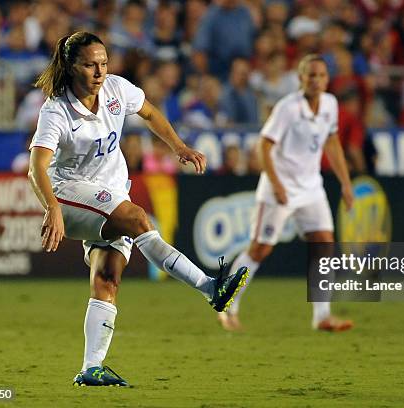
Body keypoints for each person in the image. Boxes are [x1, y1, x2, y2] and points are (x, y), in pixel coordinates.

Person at [28, 32, 249, 387]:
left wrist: (178, 145)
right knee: (136, 218)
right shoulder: (57, 110)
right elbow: (36, 166)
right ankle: (211, 288)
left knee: (108, 276)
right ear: (71, 67)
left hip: (110, 192)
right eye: (89, 64)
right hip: (67, 194)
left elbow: (149, 112)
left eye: (103, 63)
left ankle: (91, 368)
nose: (99, 71)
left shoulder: (116, 89)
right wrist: (52, 207)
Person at [218, 54, 354, 332]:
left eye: (321, 75)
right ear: (300, 79)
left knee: (324, 242)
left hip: (311, 187)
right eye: (310, 75)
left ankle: (322, 316)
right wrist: (278, 185)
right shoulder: (288, 108)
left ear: (327, 79)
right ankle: (227, 304)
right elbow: (264, 146)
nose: (316, 80)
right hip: (279, 187)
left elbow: (332, 141)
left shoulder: (330, 105)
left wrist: (346, 182)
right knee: (259, 249)